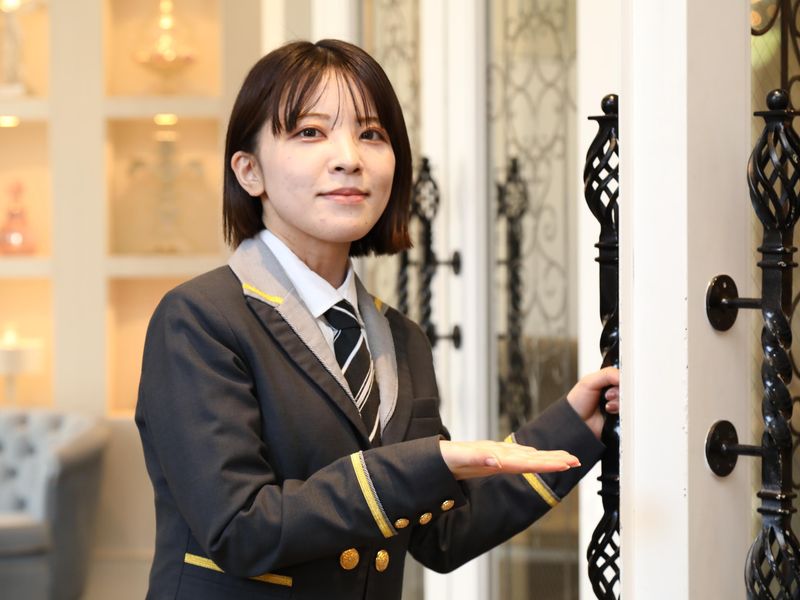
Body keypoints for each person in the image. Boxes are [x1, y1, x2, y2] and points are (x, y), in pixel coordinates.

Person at [135, 39, 620, 600]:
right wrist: (428, 463)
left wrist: (576, 424)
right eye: (310, 132)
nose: (349, 157)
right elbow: (241, 527)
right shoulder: (200, 319)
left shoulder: (400, 338)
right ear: (249, 171)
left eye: (371, 134)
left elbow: (443, 532)